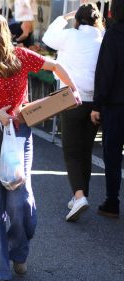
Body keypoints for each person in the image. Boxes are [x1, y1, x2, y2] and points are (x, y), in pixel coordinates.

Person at [0, 12, 79, 281]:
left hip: (19, 136)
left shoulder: (21, 57)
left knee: (20, 203)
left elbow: (55, 66)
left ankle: (19, 251)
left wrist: (74, 90)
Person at [43, 3, 104, 222]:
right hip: (95, 101)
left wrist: (64, 17)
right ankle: (81, 194)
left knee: (70, 150)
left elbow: (48, 38)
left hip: (69, 97)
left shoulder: (70, 35)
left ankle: (79, 196)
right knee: (85, 150)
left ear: (77, 19)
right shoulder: (102, 37)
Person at [91, 0, 124, 219]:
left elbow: (104, 72)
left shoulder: (113, 35)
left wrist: (97, 105)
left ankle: (112, 201)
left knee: (112, 154)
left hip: (116, 105)